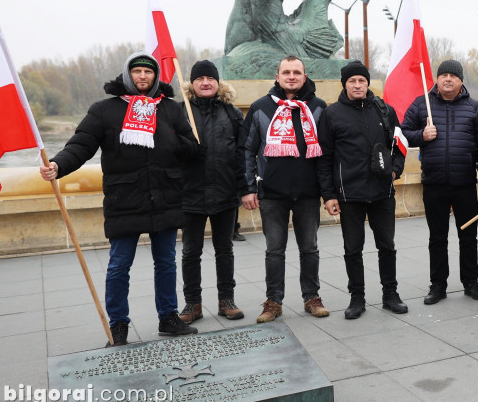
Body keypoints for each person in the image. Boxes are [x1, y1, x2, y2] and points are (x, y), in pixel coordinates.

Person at [40, 52, 200, 347]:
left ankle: (168, 317)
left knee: (165, 262)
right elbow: (81, 144)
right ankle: (118, 324)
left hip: (165, 196)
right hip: (124, 198)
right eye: (137, 71)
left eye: (148, 72)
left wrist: (165, 133)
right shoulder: (105, 110)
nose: (143, 77)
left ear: (155, 77)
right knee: (118, 266)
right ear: (128, 75)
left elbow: (192, 149)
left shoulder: (170, 109)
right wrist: (58, 165)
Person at [241, 56, 331, 322]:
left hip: (308, 192)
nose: (292, 76)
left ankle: (312, 298)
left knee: (310, 249)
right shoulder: (260, 108)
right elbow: (246, 150)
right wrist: (248, 188)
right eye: (286, 72)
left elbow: (327, 154)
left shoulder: (318, 107)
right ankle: (273, 302)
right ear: (277, 76)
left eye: (297, 72)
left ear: (305, 76)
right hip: (272, 193)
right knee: (274, 251)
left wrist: (328, 193)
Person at [318, 60, 409, 319]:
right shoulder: (331, 113)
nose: (357, 85)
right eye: (352, 81)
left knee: (387, 246)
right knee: (352, 249)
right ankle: (357, 298)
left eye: (361, 80)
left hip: (382, 192)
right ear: (344, 84)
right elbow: (325, 158)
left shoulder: (384, 110)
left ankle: (390, 294)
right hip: (349, 195)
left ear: (367, 83)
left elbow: (400, 144)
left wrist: (396, 170)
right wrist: (329, 195)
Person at [401, 60, 478, 304]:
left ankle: (471, 282)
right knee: (437, 238)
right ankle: (438, 285)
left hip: (464, 183)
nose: (448, 79)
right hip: (434, 182)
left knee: (468, 236)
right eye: (443, 75)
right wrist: (422, 135)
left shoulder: (473, 108)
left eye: (453, 75)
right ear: (437, 80)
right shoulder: (422, 104)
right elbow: (403, 131)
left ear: (461, 81)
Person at [178, 60, 247, 324]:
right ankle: (192, 303)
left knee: (224, 249)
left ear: (218, 83)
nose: (205, 82)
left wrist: (244, 188)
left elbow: (242, 154)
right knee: (190, 252)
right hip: (190, 194)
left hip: (224, 193)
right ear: (192, 84)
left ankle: (226, 300)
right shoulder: (179, 111)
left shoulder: (231, 113)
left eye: (210, 78)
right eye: (200, 79)